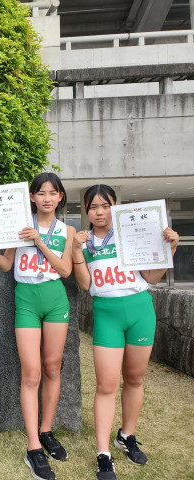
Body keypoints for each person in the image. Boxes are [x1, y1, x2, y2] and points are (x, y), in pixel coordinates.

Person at [71, 185, 179, 480]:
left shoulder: (131, 234)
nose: (100, 212)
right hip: (107, 314)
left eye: (105, 205)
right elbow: (85, 284)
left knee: (134, 378)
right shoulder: (84, 241)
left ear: (115, 206)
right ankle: (103, 454)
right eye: (93, 207)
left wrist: (170, 247)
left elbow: (152, 277)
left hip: (140, 310)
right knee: (106, 385)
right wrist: (77, 251)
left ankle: (126, 435)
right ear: (86, 210)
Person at [0, 172, 75, 480]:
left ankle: (46, 431)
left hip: (55, 299)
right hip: (26, 300)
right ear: (31, 197)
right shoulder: (18, 225)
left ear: (60, 197)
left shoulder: (67, 231)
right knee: (31, 373)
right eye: (41, 193)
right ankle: (33, 447)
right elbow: (6, 265)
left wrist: (40, 242)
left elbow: (65, 270)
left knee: (53, 367)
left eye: (53, 193)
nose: (47, 198)